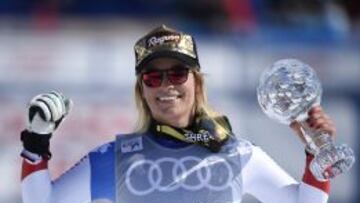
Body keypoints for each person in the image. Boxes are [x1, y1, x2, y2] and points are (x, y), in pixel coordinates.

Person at [20, 25, 335, 203]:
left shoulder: (236, 153)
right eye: (153, 78)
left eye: (177, 73)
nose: (166, 85)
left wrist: (315, 152)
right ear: (141, 90)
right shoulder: (115, 157)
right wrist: (36, 141)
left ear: (197, 83)